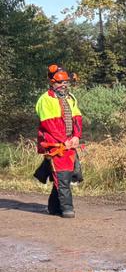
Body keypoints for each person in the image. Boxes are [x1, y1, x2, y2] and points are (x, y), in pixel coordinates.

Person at [35, 67, 83, 218]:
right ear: (52, 83)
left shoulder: (70, 98)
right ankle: (67, 209)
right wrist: (65, 141)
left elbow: (77, 119)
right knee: (62, 176)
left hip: (69, 144)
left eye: (65, 82)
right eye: (60, 82)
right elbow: (49, 125)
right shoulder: (45, 100)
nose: (63, 85)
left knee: (70, 175)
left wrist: (76, 137)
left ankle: (53, 207)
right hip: (54, 145)